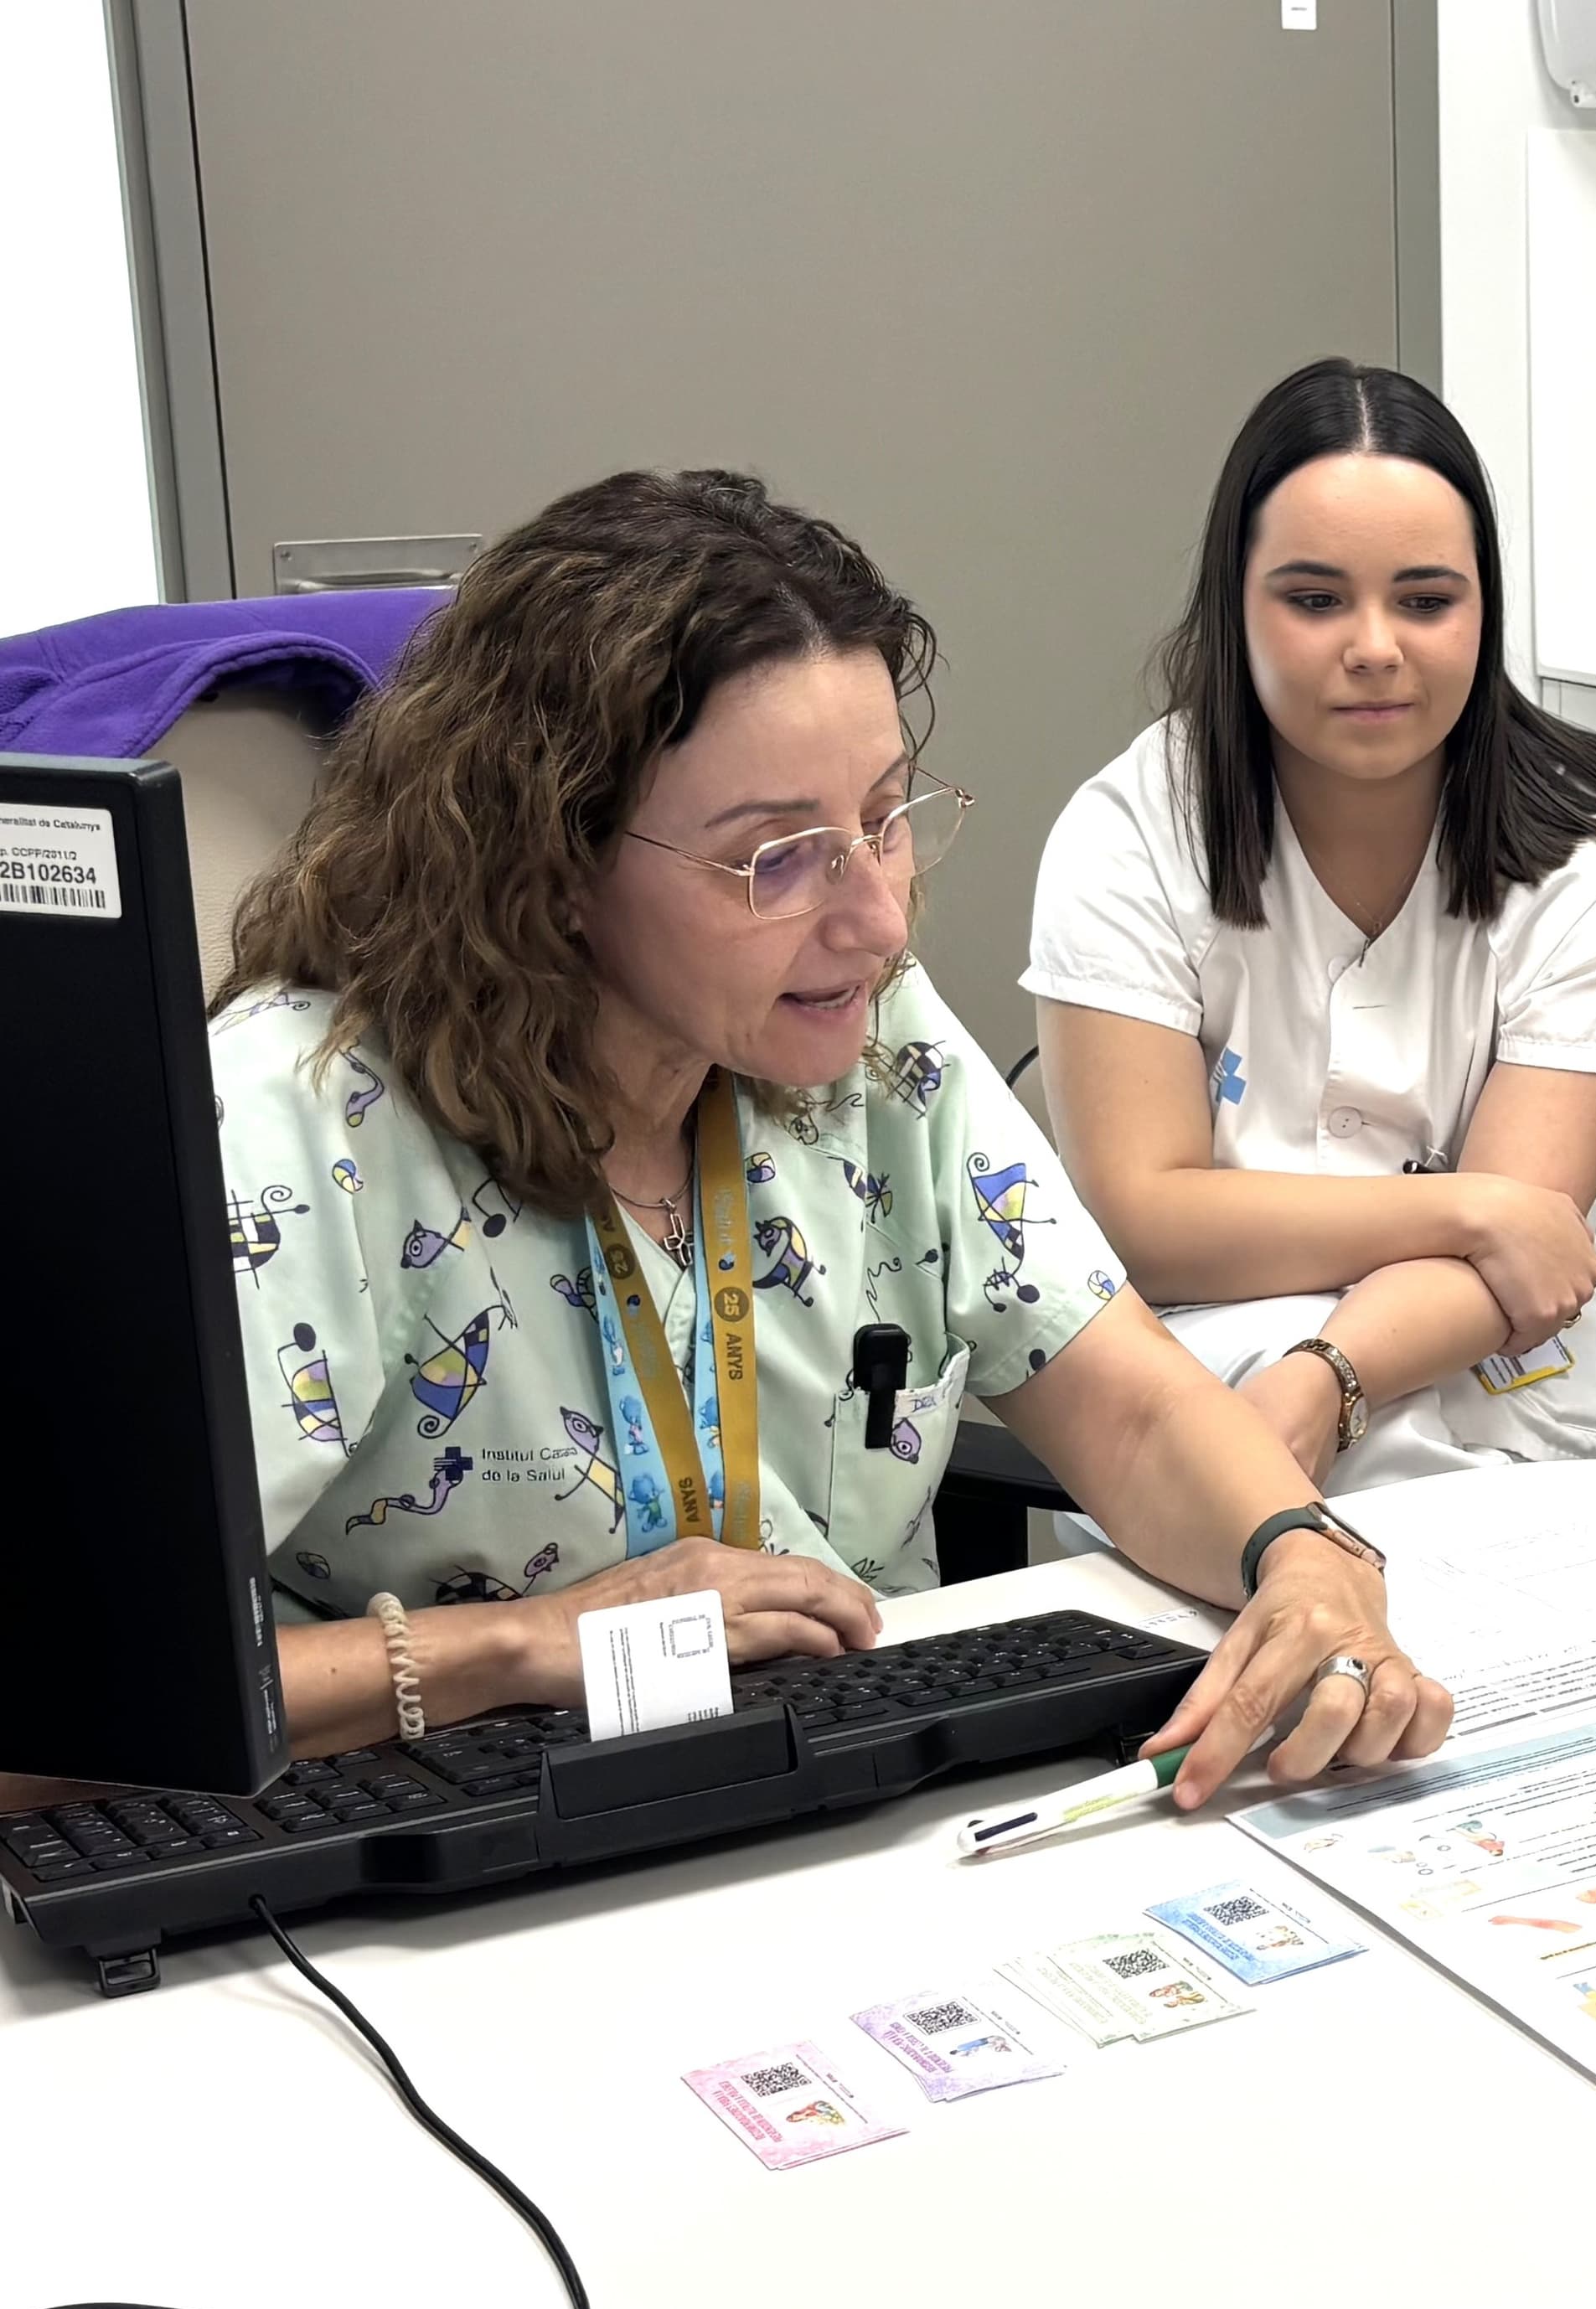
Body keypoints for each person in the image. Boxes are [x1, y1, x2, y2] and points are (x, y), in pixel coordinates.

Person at [194, 468, 1448, 1811]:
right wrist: (515, 1646)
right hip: (458, 1842)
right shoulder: (302, 1116)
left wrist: (1301, 1553)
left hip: (861, 1797)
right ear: (552, 866)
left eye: (886, 819)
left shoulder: (866, 1036)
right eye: (778, 856)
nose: (879, 921)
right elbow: (58, 1724)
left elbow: (1132, 1410)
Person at [1022, 359, 1596, 1496]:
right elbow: (1145, 1219)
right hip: (1205, 1380)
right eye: (1315, 598)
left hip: (1504, 1395)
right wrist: (1470, 1204)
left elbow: (1518, 1268)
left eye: (1427, 600)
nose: (1375, 646)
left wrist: (1330, 1373)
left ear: (1486, 609)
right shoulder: (1128, 833)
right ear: (1236, 601)